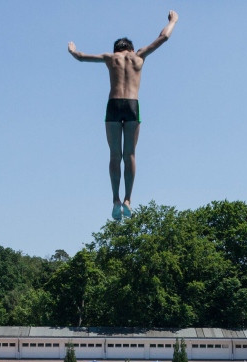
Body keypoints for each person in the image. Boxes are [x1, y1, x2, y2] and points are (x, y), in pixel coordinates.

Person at [68, 11, 179, 220]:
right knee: (130, 155)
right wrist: (173, 21)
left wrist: (73, 50)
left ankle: (115, 200)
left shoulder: (110, 58)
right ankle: (128, 199)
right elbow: (163, 37)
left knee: (114, 155)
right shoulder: (139, 56)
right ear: (130, 48)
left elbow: (81, 57)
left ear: (115, 49)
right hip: (131, 105)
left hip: (114, 105)